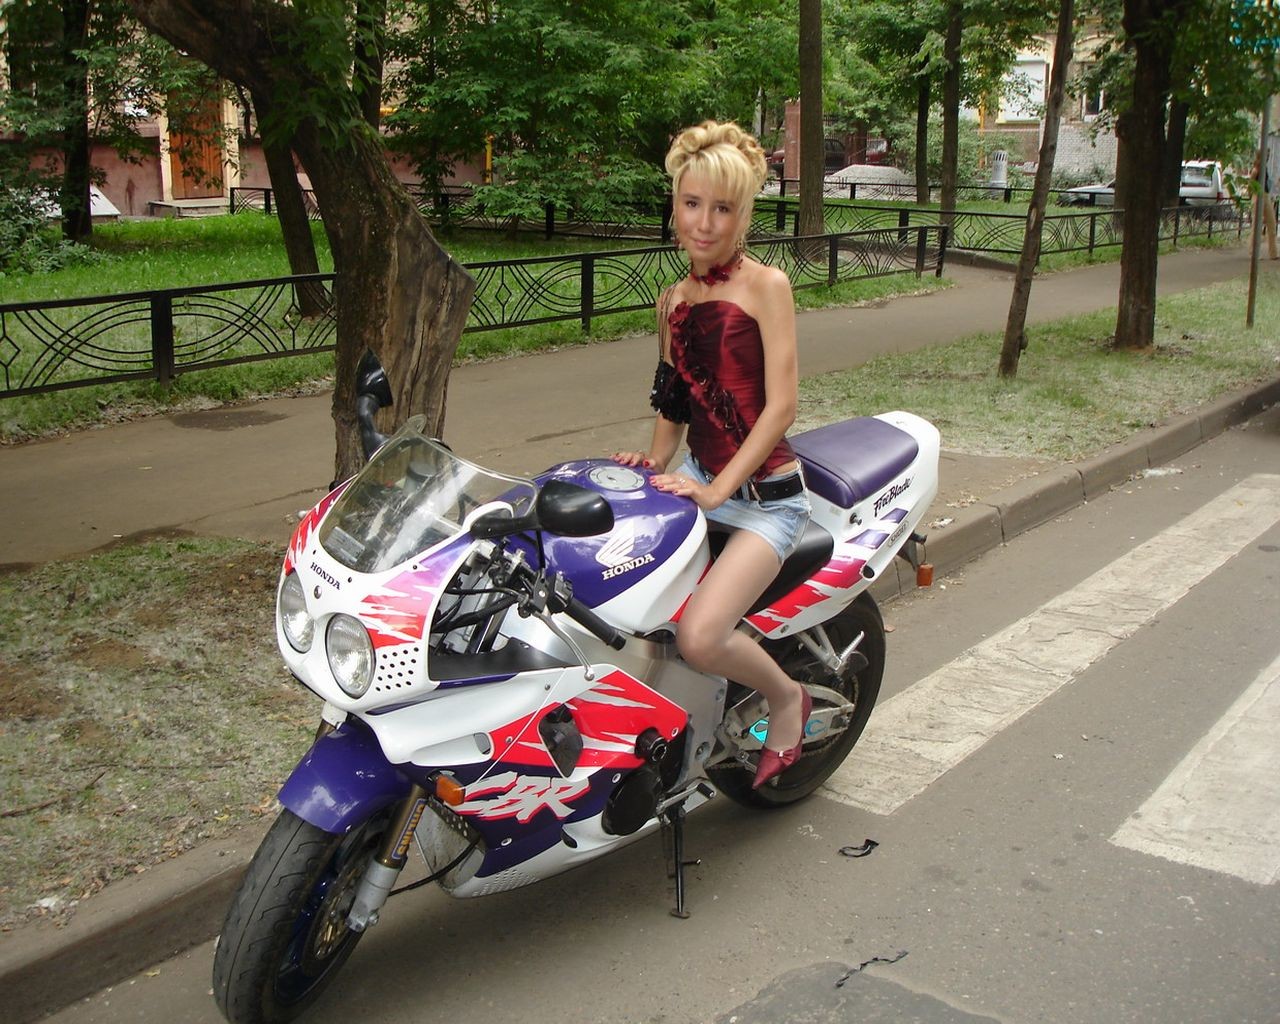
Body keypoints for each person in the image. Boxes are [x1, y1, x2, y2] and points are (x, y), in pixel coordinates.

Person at [613, 120, 813, 789]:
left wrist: (717, 491)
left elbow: (781, 408)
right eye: (692, 203)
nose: (704, 223)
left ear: (744, 214)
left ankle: (787, 698)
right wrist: (654, 462)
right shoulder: (672, 300)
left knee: (699, 637)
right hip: (699, 477)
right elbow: (675, 397)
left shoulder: (766, 286)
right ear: (674, 206)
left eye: (722, 208)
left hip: (767, 501)